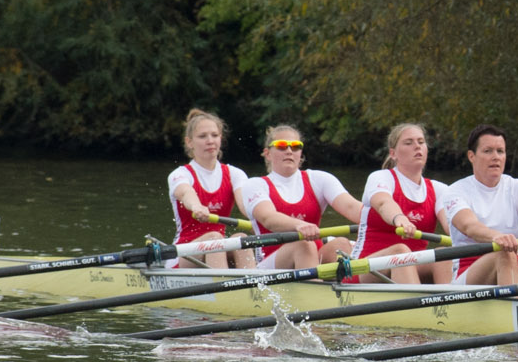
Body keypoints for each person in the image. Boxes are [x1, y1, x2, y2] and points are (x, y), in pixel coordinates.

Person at [440, 125, 518, 285]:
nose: (496, 157)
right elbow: (469, 226)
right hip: (469, 278)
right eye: (488, 151)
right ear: (472, 156)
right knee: (503, 253)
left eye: (500, 151)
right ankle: (515, 304)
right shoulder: (456, 191)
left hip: (513, 273)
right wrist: (496, 237)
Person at [244, 124, 365, 270]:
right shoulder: (255, 185)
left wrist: (392, 218)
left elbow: (352, 207)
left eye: (295, 146)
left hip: (313, 257)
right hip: (271, 266)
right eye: (281, 146)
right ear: (268, 153)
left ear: (300, 153)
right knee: (303, 244)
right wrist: (298, 225)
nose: (289, 151)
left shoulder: (319, 179)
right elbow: (268, 218)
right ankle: (315, 289)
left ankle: (347, 289)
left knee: (341, 244)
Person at [355, 122, 455, 285]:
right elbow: (382, 203)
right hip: (365, 268)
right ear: (393, 153)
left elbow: (453, 225)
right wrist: (399, 218)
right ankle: (417, 308)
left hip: (413, 267)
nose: (417, 147)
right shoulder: (380, 178)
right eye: (409, 143)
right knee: (401, 251)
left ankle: (449, 306)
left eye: (421, 142)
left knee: (444, 254)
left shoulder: (439, 190)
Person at [166, 109, 254, 269]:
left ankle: (254, 290)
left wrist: (260, 218)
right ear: (189, 142)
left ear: (221, 138)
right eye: (202, 136)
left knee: (241, 237)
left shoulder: (235, 174)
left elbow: (245, 204)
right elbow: (186, 192)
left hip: (216, 249)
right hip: (184, 253)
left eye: (214, 135)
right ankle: (224, 289)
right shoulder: (180, 174)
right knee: (215, 238)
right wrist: (196, 206)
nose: (210, 140)